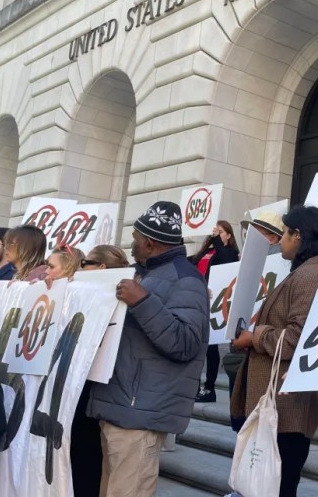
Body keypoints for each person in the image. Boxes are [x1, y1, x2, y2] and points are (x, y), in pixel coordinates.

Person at [87, 201, 209, 497]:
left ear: (150, 243)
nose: (132, 244)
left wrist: (142, 301)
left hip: (139, 411)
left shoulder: (186, 280)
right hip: (120, 404)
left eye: (136, 237)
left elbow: (185, 342)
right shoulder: (142, 273)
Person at [230, 206, 318, 497]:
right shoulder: (305, 273)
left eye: (286, 234)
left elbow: (299, 338)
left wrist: (255, 337)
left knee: (278, 488)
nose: (281, 241)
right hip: (277, 404)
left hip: (286, 409)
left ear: (299, 236)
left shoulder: (312, 276)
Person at [71, 244, 130, 497]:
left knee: (88, 459)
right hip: (83, 386)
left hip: (99, 390)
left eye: (85, 263)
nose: (80, 268)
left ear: (101, 267)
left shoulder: (124, 302)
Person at [222, 211, 286, 399]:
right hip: (244, 344)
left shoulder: (281, 267)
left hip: (258, 348)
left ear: (273, 238)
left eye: (256, 234)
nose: (248, 238)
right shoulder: (249, 261)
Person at [189, 221, 240, 403]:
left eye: (221, 232)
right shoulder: (207, 251)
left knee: (211, 347)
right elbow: (190, 262)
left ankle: (209, 388)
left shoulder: (230, 253)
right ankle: (194, 387)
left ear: (229, 235)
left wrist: (217, 241)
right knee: (197, 346)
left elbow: (226, 260)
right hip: (198, 301)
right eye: (215, 231)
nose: (216, 234)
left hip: (215, 304)